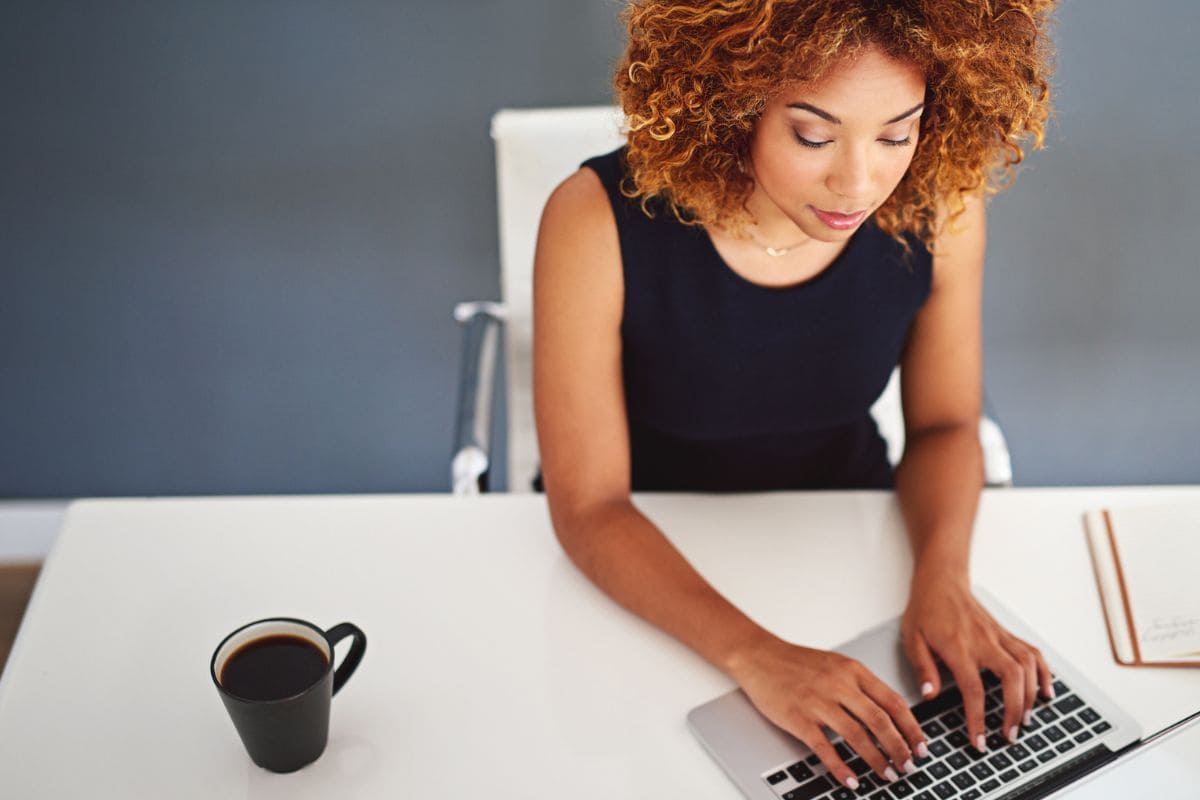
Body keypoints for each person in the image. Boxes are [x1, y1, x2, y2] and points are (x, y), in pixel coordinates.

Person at [532, 0, 1056, 792]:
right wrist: (759, 657)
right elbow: (589, 505)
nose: (859, 181)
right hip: (643, 566)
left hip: (847, 540)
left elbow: (948, 424)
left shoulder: (941, 208)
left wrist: (942, 582)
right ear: (731, 100)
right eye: (813, 135)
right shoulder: (594, 219)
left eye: (895, 134)